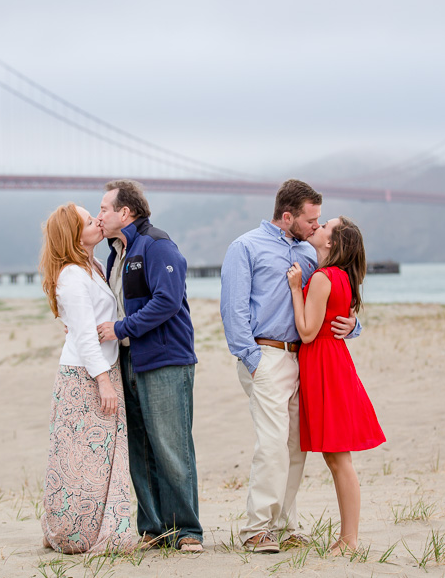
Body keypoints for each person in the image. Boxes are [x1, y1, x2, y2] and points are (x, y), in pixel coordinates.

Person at [220, 179, 361, 554]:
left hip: (305, 359)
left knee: (295, 446)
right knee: (272, 444)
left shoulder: (309, 252)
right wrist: (252, 359)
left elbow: (335, 295)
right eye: (311, 220)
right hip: (265, 357)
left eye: (319, 221)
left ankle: (283, 524)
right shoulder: (245, 247)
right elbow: (233, 310)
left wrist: (354, 326)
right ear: (287, 217)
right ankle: (256, 529)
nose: (316, 226)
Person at [95, 179, 203, 553]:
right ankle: (154, 528)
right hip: (130, 360)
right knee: (140, 447)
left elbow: (168, 301)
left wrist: (121, 328)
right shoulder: (115, 252)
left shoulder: (157, 245)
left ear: (126, 212)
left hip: (165, 360)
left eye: (105, 208)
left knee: (172, 447)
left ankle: (188, 531)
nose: (100, 214)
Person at [38, 203, 135, 554]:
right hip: (85, 377)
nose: (97, 221)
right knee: (82, 462)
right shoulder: (73, 276)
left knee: (99, 459)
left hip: (98, 371)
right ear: (74, 236)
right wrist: (104, 383)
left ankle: (94, 528)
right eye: (88, 220)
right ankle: (73, 533)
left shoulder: (91, 267)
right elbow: (83, 336)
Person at [287, 216, 385, 553]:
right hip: (334, 363)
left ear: (332, 242)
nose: (318, 227)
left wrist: (295, 288)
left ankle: (349, 539)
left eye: (325, 226)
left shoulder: (321, 278)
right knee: (336, 458)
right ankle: (349, 537)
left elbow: (307, 331)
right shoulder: (341, 277)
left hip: (325, 367)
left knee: (339, 459)